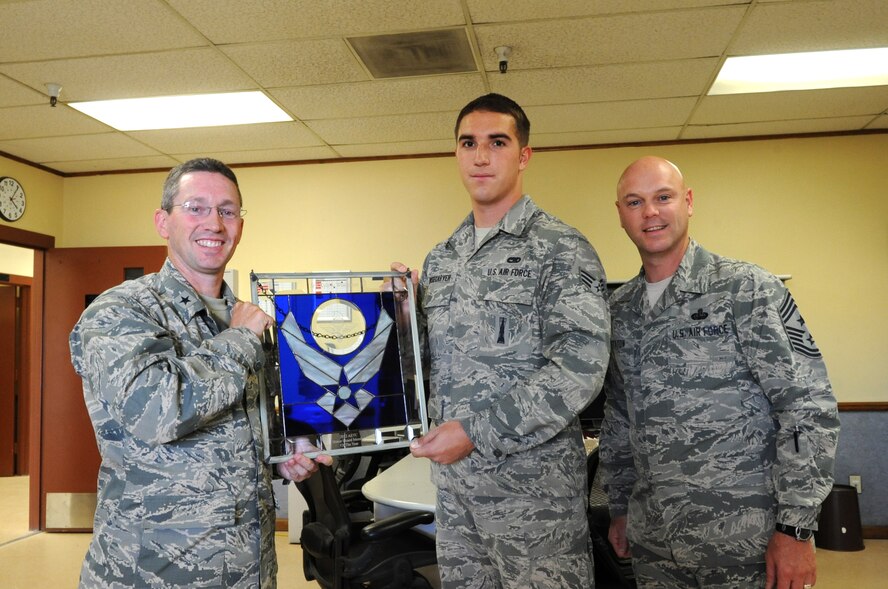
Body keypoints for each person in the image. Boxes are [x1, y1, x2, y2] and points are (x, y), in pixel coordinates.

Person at [69, 158, 332, 588]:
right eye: (196, 208)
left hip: (247, 567)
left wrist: (282, 462)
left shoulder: (245, 318)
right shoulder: (120, 310)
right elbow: (157, 411)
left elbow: (233, 436)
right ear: (162, 222)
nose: (214, 223)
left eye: (227, 211)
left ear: (240, 225)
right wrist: (240, 341)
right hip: (154, 573)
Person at [391, 93, 610, 588]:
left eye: (497, 142)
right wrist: (400, 319)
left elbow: (580, 368)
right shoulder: (444, 258)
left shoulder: (560, 248)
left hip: (534, 502)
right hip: (456, 494)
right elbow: (429, 368)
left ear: (524, 155)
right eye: (468, 143)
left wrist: (475, 431)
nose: (481, 156)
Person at [599, 156, 840, 589]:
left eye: (663, 197)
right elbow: (619, 418)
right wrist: (620, 508)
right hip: (656, 547)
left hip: (748, 547)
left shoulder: (747, 290)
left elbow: (807, 409)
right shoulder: (620, 311)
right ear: (620, 214)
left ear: (688, 202)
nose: (650, 212)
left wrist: (797, 530)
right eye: (635, 202)